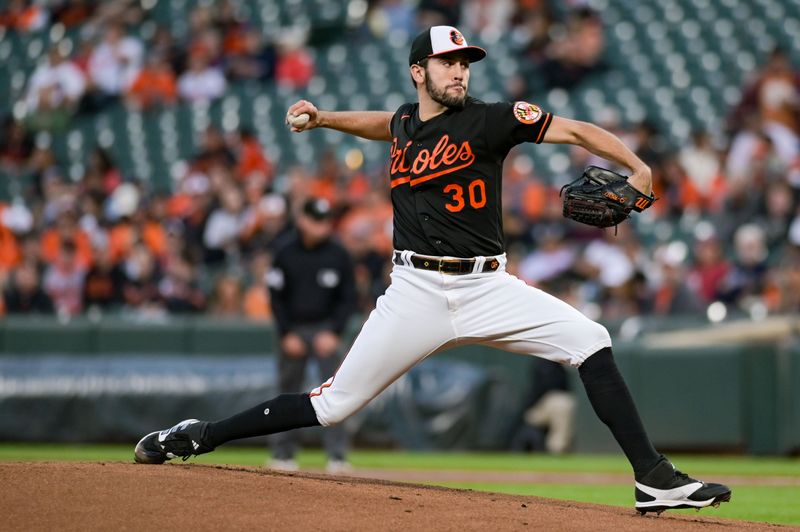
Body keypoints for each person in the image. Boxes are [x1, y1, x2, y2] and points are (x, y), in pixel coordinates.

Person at [134, 26, 731, 515]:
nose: (459, 72)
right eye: (447, 63)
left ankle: (653, 480)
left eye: (464, 63)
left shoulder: (491, 120)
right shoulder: (403, 123)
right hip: (415, 290)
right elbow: (385, 125)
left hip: (488, 284)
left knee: (591, 341)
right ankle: (197, 435)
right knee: (332, 406)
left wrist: (636, 166)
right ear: (418, 71)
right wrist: (324, 120)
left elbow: (574, 129)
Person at [267, 198, 356, 473]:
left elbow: (349, 298)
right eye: (317, 220)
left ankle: (337, 456)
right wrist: (286, 333)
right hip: (294, 330)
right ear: (303, 220)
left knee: (337, 393)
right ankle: (283, 454)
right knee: (287, 393)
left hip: (326, 329)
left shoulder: (339, 254)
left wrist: (334, 331)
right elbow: (276, 297)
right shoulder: (284, 251)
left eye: (325, 220)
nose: (322, 226)